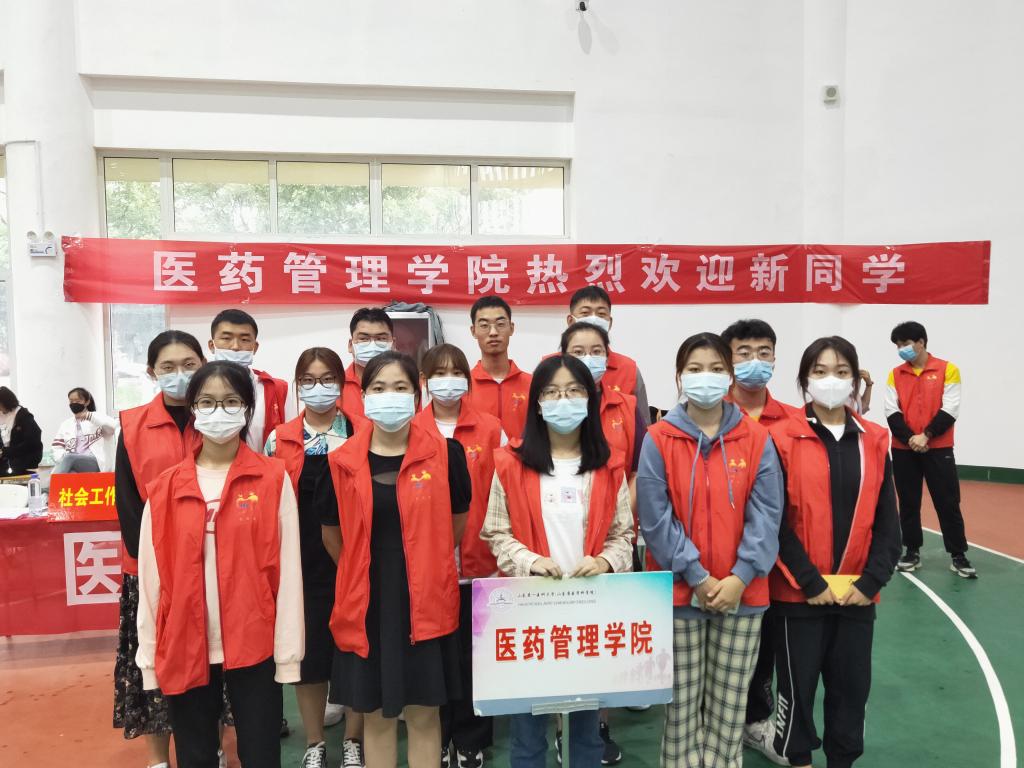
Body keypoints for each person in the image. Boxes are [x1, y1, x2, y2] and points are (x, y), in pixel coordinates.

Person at [136, 360, 304, 768]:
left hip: (254, 639)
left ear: (247, 409)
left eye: (230, 401)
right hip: (184, 639)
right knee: (195, 755)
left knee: (261, 753)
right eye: (207, 402)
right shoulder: (165, 488)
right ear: (193, 409)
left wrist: (287, 653)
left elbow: (288, 571)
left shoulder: (272, 478)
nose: (219, 411)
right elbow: (151, 580)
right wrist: (150, 657)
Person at [637, 332, 783, 768]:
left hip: (743, 595)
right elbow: (655, 519)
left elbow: (767, 514)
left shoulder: (757, 439)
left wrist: (740, 577)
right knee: (680, 708)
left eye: (717, 369)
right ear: (679, 377)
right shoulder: (658, 438)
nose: (707, 377)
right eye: (695, 369)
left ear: (730, 376)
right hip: (681, 595)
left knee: (729, 708)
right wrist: (697, 576)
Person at [481, 354, 635, 768]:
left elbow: (624, 535)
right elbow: (496, 532)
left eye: (573, 391)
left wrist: (605, 562)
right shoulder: (511, 461)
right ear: (536, 404)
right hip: (529, 615)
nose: (563, 401)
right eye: (551, 393)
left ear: (589, 399)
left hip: (588, 615)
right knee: (528, 733)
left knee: (586, 731)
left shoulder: (608, 464)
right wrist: (529, 561)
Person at [319, 351, 470, 768]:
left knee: (423, 714)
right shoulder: (340, 462)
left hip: (426, 603)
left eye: (400, 387)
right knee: (376, 717)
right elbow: (333, 537)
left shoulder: (447, 455)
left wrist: (424, 563)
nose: (390, 396)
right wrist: (363, 570)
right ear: (364, 396)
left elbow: (456, 524)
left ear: (417, 396)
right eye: (379, 388)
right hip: (366, 604)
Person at [768, 336, 901, 768]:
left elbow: (888, 522)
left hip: (857, 597)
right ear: (804, 379)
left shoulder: (874, 439)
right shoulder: (780, 437)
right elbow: (773, 522)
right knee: (797, 692)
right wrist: (809, 581)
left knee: (851, 691)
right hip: (799, 596)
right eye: (820, 371)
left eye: (842, 372)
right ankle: (800, 760)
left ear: (854, 379)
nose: (831, 380)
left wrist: (871, 581)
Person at [264, 348, 369, 768]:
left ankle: (354, 740)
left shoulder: (362, 431)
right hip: (300, 561)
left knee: (355, 650)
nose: (318, 387)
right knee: (308, 655)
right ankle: (314, 743)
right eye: (308, 379)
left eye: (327, 378)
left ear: (342, 384)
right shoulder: (278, 438)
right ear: (297, 385)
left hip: (352, 557)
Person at [113, 331, 205, 768]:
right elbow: (129, 502)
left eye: (189, 364)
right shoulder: (134, 425)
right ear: (151, 372)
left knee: (209, 663)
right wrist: (156, 564)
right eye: (168, 367)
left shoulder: (217, 416)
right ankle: (157, 759)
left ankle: (210, 746)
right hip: (149, 570)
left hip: (209, 563)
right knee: (151, 662)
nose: (179, 374)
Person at [414, 343, 504, 768]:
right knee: (435, 658)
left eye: (455, 373)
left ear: (467, 380)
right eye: (438, 373)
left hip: (478, 562)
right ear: (424, 381)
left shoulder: (490, 428)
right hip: (427, 567)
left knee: (474, 658)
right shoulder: (410, 429)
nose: (447, 381)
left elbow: (504, 492)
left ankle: (471, 739)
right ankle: (438, 736)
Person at [558, 320, 644, 765]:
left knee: (599, 641)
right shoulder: (550, 403)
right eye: (578, 349)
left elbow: (638, 467)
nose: (587, 358)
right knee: (560, 640)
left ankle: (599, 726)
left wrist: (619, 516)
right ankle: (559, 725)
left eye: (596, 350)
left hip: (609, 539)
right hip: (557, 538)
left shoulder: (625, 405)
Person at [719, 319, 797, 761]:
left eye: (763, 352)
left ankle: (755, 721)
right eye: (744, 353)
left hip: (772, 560)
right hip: (715, 558)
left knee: (764, 647)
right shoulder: (708, 413)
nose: (754, 361)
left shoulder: (792, 420)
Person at [885, 321, 975, 578]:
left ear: (921, 342)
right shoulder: (895, 374)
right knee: (908, 502)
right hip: (904, 449)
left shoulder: (948, 369)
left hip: (938, 448)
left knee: (948, 501)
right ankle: (911, 551)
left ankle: (958, 555)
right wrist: (911, 439)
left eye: (905, 343)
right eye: (898, 345)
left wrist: (926, 436)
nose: (901, 349)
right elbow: (891, 411)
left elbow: (951, 408)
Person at [565, 286, 651, 425]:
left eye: (601, 314)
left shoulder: (629, 369)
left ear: (609, 323)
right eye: (585, 313)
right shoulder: (550, 367)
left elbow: (643, 426)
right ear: (570, 321)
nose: (593, 319)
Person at [208, 308, 289, 452]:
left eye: (244, 340)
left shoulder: (276, 389)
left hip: (264, 465)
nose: (235, 347)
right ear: (211, 345)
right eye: (226, 338)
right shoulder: (198, 389)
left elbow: (289, 438)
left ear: (255, 347)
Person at [466, 296, 532, 441]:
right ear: (473, 331)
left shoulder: (533, 384)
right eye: (484, 325)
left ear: (511, 328)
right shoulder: (463, 387)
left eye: (500, 324)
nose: (493, 332)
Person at [344, 307, 396, 418]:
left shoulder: (410, 384)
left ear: (393, 344)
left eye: (381, 339)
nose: (372, 345)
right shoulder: (335, 386)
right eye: (363, 338)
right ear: (350, 345)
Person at [51, 387, 119, 473]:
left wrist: (89, 416)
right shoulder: (66, 424)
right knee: (70, 470)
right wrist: (62, 456)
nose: (74, 404)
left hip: (97, 462)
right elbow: (56, 448)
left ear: (87, 402)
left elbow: (112, 428)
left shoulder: (97, 417)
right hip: (73, 462)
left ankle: (53, 482)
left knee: (69, 458)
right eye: (71, 401)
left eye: (78, 401)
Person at [0, 386, 43, 476]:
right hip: (5, 461)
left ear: (6, 402)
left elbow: (33, 441)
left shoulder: (23, 416)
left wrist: (6, 452)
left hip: (22, 462)